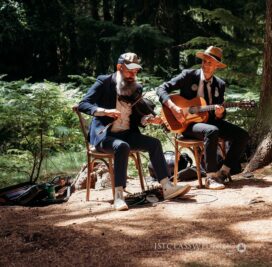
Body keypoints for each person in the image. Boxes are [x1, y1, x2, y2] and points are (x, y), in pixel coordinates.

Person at [78, 52, 191, 211]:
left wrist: (146, 119)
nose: (133, 75)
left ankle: (167, 187)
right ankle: (118, 196)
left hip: (127, 134)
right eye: (129, 70)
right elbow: (83, 104)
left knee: (154, 143)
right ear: (119, 67)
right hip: (105, 136)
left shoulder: (136, 88)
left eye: (136, 71)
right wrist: (104, 111)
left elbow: (137, 116)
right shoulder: (104, 82)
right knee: (122, 146)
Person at [156, 46, 250, 190]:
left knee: (242, 135)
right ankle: (210, 178)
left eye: (210, 63)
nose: (206, 65)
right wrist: (174, 108)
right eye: (204, 61)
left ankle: (223, 172)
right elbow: (161, 88)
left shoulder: (220, 84)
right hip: (187, 124)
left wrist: (220, 113)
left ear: (217, 66)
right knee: (211, 131)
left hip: (210, 122)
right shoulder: (188, 76)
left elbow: (219, 112)